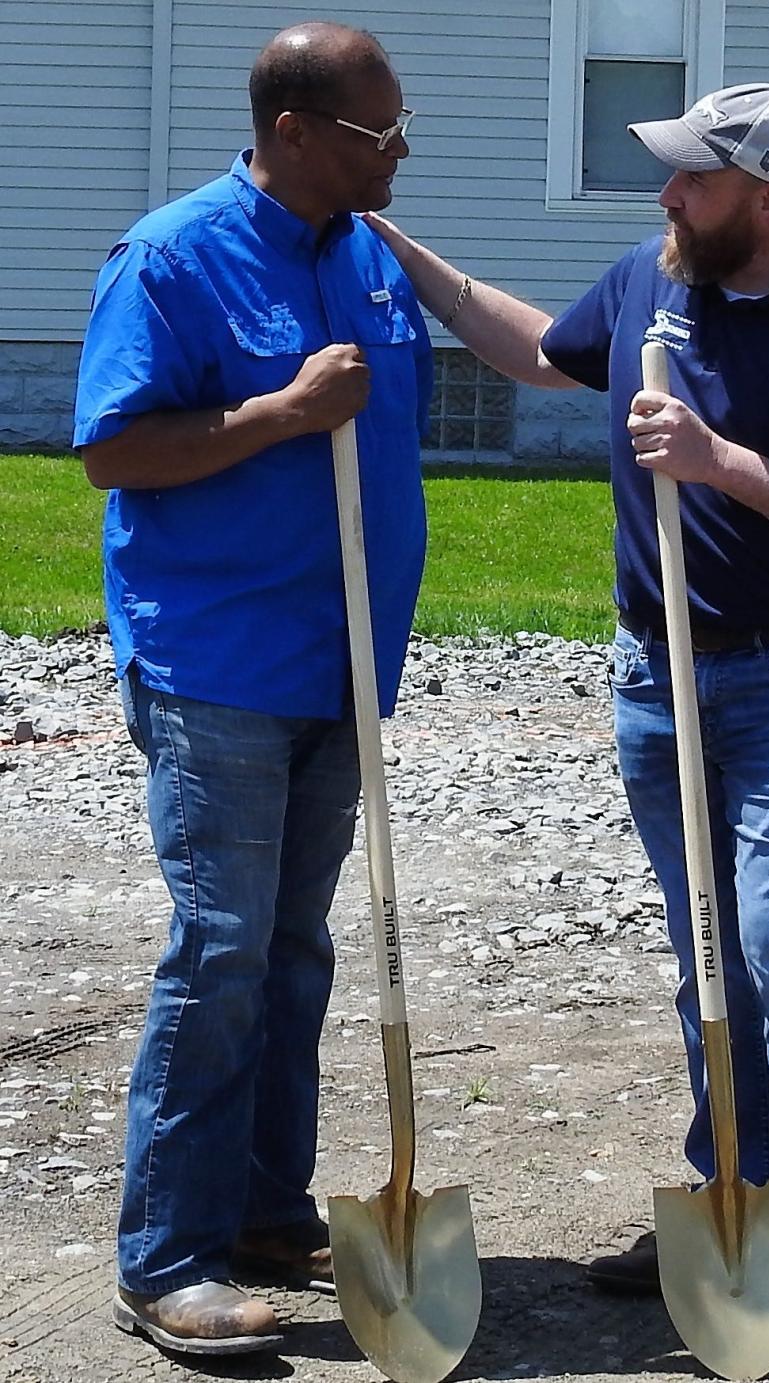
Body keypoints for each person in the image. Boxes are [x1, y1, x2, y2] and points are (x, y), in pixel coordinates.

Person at [365, 83, 769, 1349]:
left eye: (693, 178)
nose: (667, 196)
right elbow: (538, 352)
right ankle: (730, 1186)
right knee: (708, 963)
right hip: (654, 676)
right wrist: (398, 251)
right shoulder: (646, 278)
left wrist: (719, 459)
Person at [73, 21, 432, 1357]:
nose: (398, 151)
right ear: (294, 129)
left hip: (339, 664)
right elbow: (115, 451)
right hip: (218, 662)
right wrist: (279, 413)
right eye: (375, 131)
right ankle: (164, 1253)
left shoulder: (368, 257)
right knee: (221, 949)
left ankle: (267, 1206)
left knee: (294, 947)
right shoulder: (173, 255)